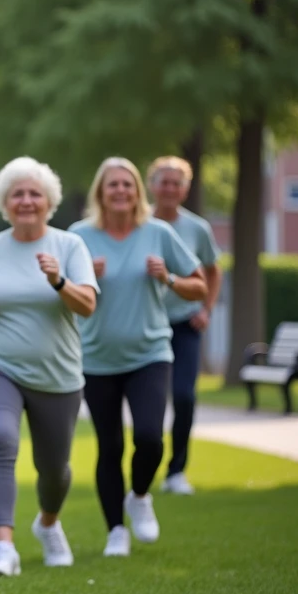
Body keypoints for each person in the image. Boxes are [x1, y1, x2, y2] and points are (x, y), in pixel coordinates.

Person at [0, 156, 98, 577]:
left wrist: (59, 281)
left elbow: (87, 304)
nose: (26, 201)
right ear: (4, 203)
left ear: (49, 201)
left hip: (57, 376)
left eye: (34, 194)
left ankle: (48, 523)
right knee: (1, 438)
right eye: (17, 194)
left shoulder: (69, 247)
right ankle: (3, 548)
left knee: (54, 470)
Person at [70, 157, 205, 557]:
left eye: (127, 184)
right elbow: (58, 293)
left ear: (137, 191)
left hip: (150, 352)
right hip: (96, 357)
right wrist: (82, 277)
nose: (121, 191)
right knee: (109, 447)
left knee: (149, 437)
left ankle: (140, 495)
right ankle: (115, 530)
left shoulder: (158, 233)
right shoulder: (78, 236)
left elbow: (198, 286)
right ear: (100, 192)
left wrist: (169, 278)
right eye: (112, 185)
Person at [148, 156, 222, 496]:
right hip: (146, 324)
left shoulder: (197, 229)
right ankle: (143, 468)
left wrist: (206, 309)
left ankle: (176, 471)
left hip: (185, 324)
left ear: (185, 189)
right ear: (152, 185)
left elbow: (212, 270)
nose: (170, 188)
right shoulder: (137, 224)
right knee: (149, 402)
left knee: (184, 396)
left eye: (176, 183)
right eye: (164, 181)